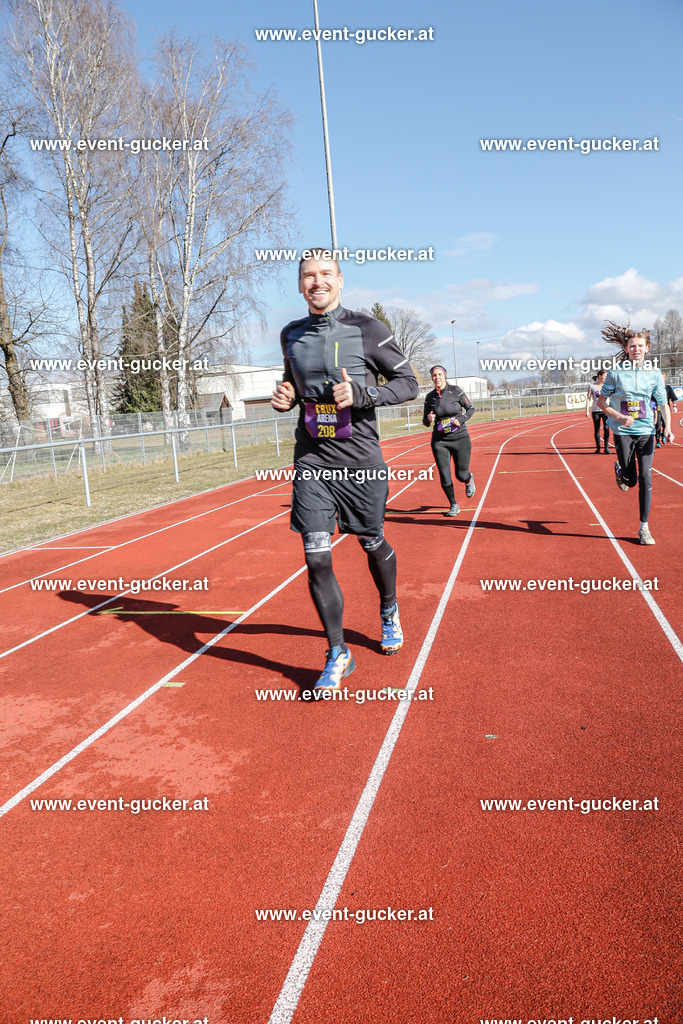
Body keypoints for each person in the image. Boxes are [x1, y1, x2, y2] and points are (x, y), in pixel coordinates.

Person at [271, 247, 419, 691]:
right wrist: (287, 396)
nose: (317, 282)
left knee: (371, 541)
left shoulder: (368, 329)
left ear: (339, 280)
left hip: (360, 461)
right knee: (315, 554)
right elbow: (293, 383)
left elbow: (408, 384)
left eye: (325, 274)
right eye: (308, 275)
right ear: (300, 285)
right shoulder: (291, 334)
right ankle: (338, 652)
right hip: (312, 459)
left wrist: (363, 395)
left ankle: (388, 608)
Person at [597, 321, 674, 545]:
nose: (636, 349)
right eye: (632, 346)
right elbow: (601, 402)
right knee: (630, 481)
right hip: (623, 431)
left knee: (646, 477)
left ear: (647, 348)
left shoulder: (654, 373)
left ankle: (644, 528)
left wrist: (668, 428)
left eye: (640, 346)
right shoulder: (615, 373)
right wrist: (619, 417)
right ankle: (620, 470)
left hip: (646, 431)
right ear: (627, 348)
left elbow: (663, 404)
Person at [422, 365, 476, 516]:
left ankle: (468, 479)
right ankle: (453, 504)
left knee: (460, 475)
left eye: (439, 374)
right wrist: (428, 419)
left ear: (444, 376)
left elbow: (471, 409)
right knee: (445, 476)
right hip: (440, 442)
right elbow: (425, 422)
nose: (437, 378)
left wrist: (462, 419)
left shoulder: (456, 391)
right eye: (434, 375)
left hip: (460, 438)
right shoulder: (430, 397)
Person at [585, 369, 611, 453]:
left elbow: (610, 397)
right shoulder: (592, 386)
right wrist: (587, 410)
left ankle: (606, 448)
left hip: (605, 409)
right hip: (596, 410)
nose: (606, 378)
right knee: (597, 429)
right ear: (600, 376)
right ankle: (598, 448)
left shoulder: (607, 386)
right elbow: (588, 398)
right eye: (605, 376)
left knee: (606, 428)